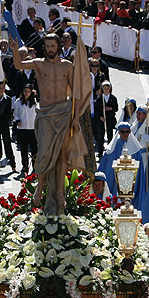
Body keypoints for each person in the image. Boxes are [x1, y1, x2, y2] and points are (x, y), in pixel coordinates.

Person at [8, 32, 90, 216]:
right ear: (44, 47)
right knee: (44, 151)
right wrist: (14, 50)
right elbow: (19, 65)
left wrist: (75, 117)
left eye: (53, 46)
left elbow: (75, 92)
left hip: (63, 112)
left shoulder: (68, 66)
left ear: (59, 47)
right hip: (45, 113)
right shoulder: (38, 63)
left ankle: (60, 191)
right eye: (47, 46)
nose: (50, 49)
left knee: (61, 155)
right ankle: (40, 186)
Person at [97, 122, 144, 201]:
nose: (125, 134)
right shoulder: (112, 147)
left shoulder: (135, 148)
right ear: (118, 132)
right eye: (122, 132)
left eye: (127, 132)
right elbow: (106, 165)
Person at [13, 83, 39, 177]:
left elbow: (39, 110)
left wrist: (37, 95)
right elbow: (15, 114)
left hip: (32, 128)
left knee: (34, 149)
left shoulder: (35, 102)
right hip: (23, 128)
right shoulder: (18, 102)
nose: (26, 93)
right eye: (25, 91)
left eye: (28, 91)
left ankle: (35, 166)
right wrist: (17, 121)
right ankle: (25, 166)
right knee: (23, 148)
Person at [93, 81, 118, 157]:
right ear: (102, 89)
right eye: (104, 88)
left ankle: (110, 151)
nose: (106, 90)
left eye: (108, 88)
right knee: (101, 135)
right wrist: (100, 117)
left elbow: (116, 108)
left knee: (110, 135)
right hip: (101, 120)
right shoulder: (100, 98)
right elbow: (96, 110)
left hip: (110, 119)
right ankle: (100, 152)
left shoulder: (113, 98)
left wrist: (110, 108)